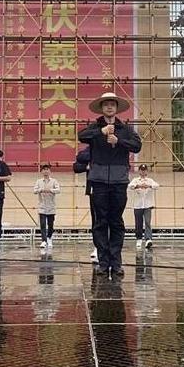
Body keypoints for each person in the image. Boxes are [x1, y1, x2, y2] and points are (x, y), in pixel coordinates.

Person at [78, 92, 142, 277]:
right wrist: (101, 131)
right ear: (101, 108)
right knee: (100, 222)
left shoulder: (125, 129)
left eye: (112, 104)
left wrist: (118, 141)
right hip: (98, 181)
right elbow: (81, 136)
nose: (109, 107)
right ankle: (103, 262)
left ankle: (116, 262)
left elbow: (137, 146)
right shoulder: (95, 127)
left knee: (116, 221)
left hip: (119, 181)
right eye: (106, 104)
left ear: (116, 108)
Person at [73, 146, 97, 262]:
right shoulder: (91, 149)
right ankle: (97, 246)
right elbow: (77, 164)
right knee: (96, 219)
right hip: (94, 190)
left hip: (110, 188)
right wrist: (88, 166)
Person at [128, 164, 159, 250]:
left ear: (146, 171)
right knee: (138, 223)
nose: (143, 172)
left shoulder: (150, 180)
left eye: (144, 170)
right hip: (137, 205)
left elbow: (157, 186)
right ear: (139, 171)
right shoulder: (135, 180)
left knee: (148, 222)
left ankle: (148, 239)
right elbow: (130, 186)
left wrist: (148, 186)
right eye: (141, 170)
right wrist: (138, 186)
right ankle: (139, 239)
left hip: (147, 205)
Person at [33, 164, 61, 250]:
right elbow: (34, 190)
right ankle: (44, 240)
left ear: (50, 171)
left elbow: (58, 190)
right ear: (42, 171)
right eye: (44, 169)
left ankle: (49, 238)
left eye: (47, 169)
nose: (46, 171)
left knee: (50, 224)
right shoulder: (38, 181)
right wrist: (40, 190)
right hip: (42, 206)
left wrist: (50, 190)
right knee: (42, 224)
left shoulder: (54, 181)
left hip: (51, 206)